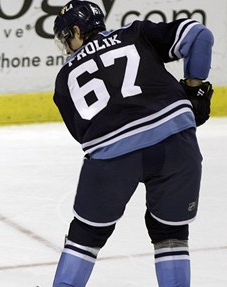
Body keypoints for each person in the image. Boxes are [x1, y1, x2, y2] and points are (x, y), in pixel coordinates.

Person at [51, 1, 214, 286]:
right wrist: (194, 89)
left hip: (113, 156)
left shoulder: (64, 77)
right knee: (170, 235)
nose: (67, 46)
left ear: (76, 30)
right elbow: (199, 35)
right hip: (176, 143)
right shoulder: (134, 33)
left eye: (67, 37)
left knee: (85, 236)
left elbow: (84, 135)